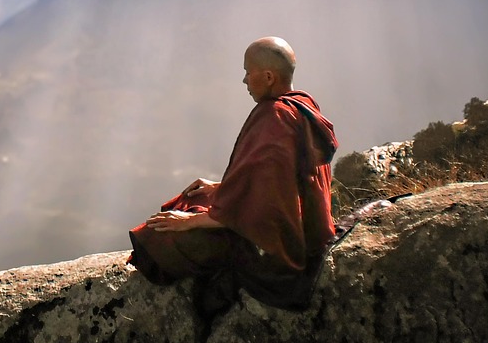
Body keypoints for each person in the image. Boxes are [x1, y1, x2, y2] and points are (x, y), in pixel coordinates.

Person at [128, 36, 338, 311]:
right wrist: (221, 188)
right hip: (311, 231)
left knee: (161, 237)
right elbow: (280, 181)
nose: (245, 81)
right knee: (193, 200)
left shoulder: (274, 117)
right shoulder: (303, 105)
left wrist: (192, 223)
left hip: (282, 250)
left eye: (247, 72)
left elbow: (265, 207)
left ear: (268, 76)